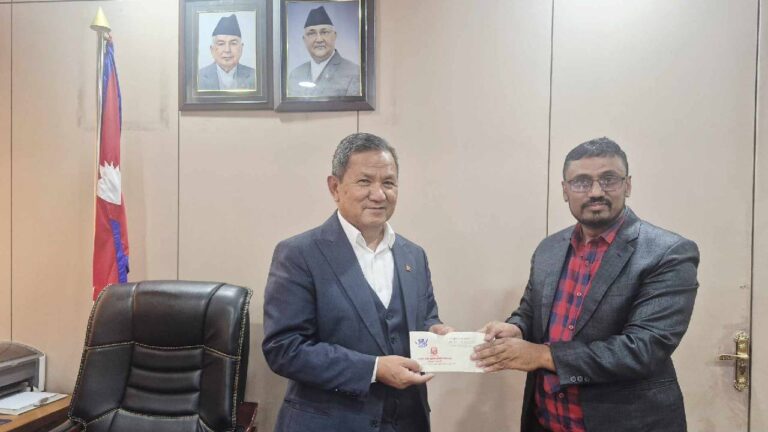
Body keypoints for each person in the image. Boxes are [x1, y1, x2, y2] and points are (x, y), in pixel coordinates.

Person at [473, 137, 699, 432]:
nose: (595, 192)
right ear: (565, 190)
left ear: (628, 185)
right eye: (581, 182)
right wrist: (516, 328)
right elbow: (530, 311)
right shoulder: (549, 248)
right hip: (547, 421)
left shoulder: (668, 252)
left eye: (609, 179)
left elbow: (643, 349)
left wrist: (540, 354)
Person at [263, 133, 453, 432]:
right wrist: (374, 369)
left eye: (388, 183)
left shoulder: (414, 256)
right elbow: (284, 349)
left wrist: (434, 332)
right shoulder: (299, 254)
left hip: (408, 421)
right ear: (335, 187)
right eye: (365, 182)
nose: (379, 194)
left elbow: (425, 317)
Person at [287, 6, 361, 97]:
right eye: (311, 33)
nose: (319, 39)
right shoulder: (295, 75)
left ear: (334, 36)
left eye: (324, 32)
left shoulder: (354, 73)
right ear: (304, 40)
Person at [198, 14, 255, 91]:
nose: (227, 50)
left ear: (241, 48)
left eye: (233, 43)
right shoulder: (198, 77)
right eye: (221, 44)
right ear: (212, 49)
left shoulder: (255, 76)